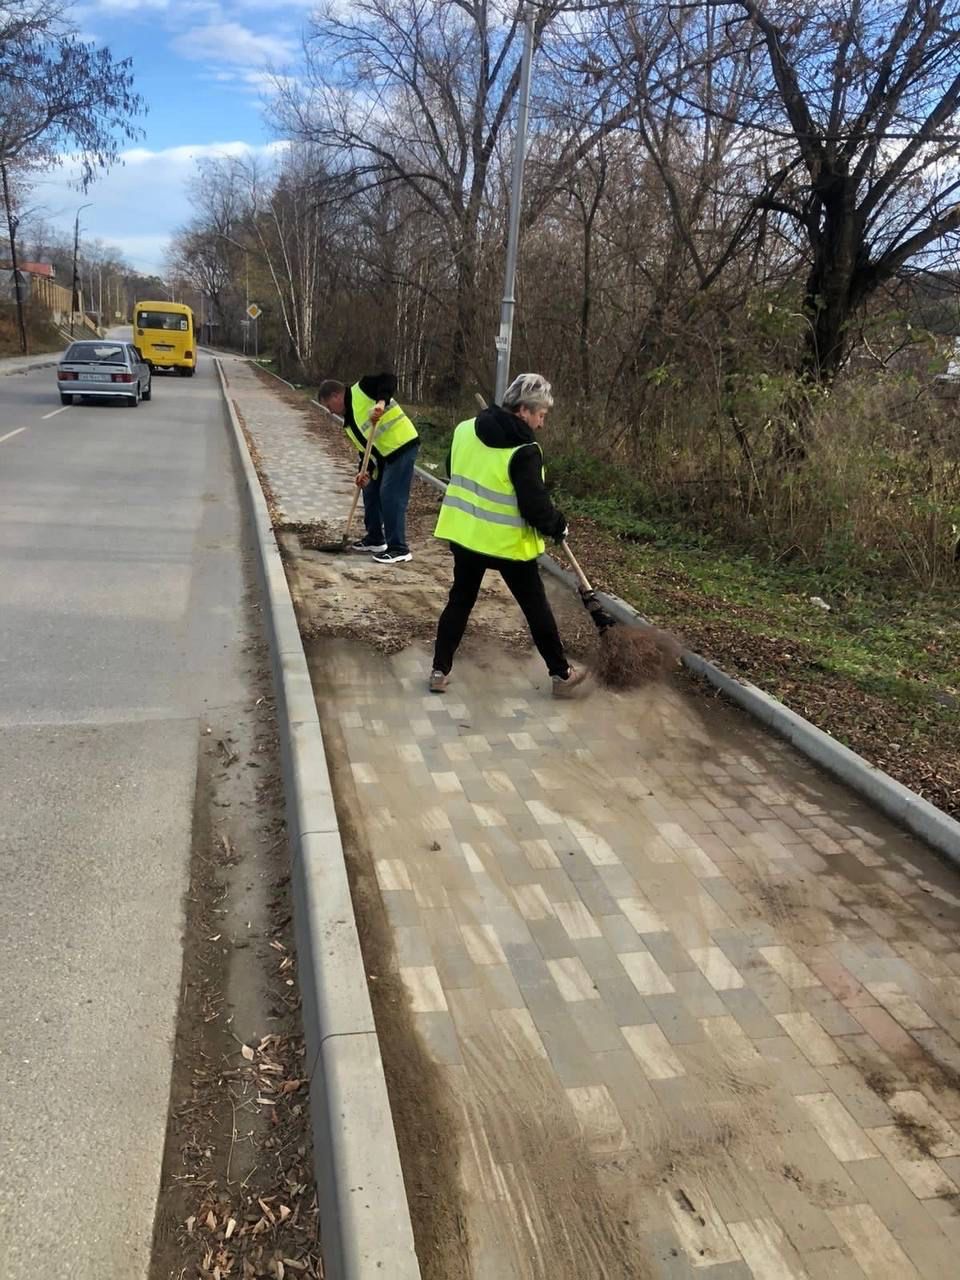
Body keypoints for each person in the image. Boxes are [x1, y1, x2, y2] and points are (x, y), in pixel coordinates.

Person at [430, 373, 588, 698]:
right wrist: (558, 525)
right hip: (507, 545)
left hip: (466, 536)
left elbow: (452, 470)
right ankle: (561, 675)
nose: (542, 424)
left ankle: (439, 670)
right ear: (523, 411)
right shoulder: (525, 450)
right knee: (535, 607)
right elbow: (534, 506)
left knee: (460, 601)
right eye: (541, 415)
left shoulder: (464, 430)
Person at [317, 373, 420, 564]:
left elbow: (388, 378)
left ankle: (399, 548)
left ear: (336, 396)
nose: (330, 412)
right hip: (382, 456)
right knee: (370, 489)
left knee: (390, 495)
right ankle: (375, 539)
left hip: (402, 445)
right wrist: (363, 471)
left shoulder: (362, 388)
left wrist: (381, 403)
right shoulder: (349, 422)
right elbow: (365, 451)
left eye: (329, 406)